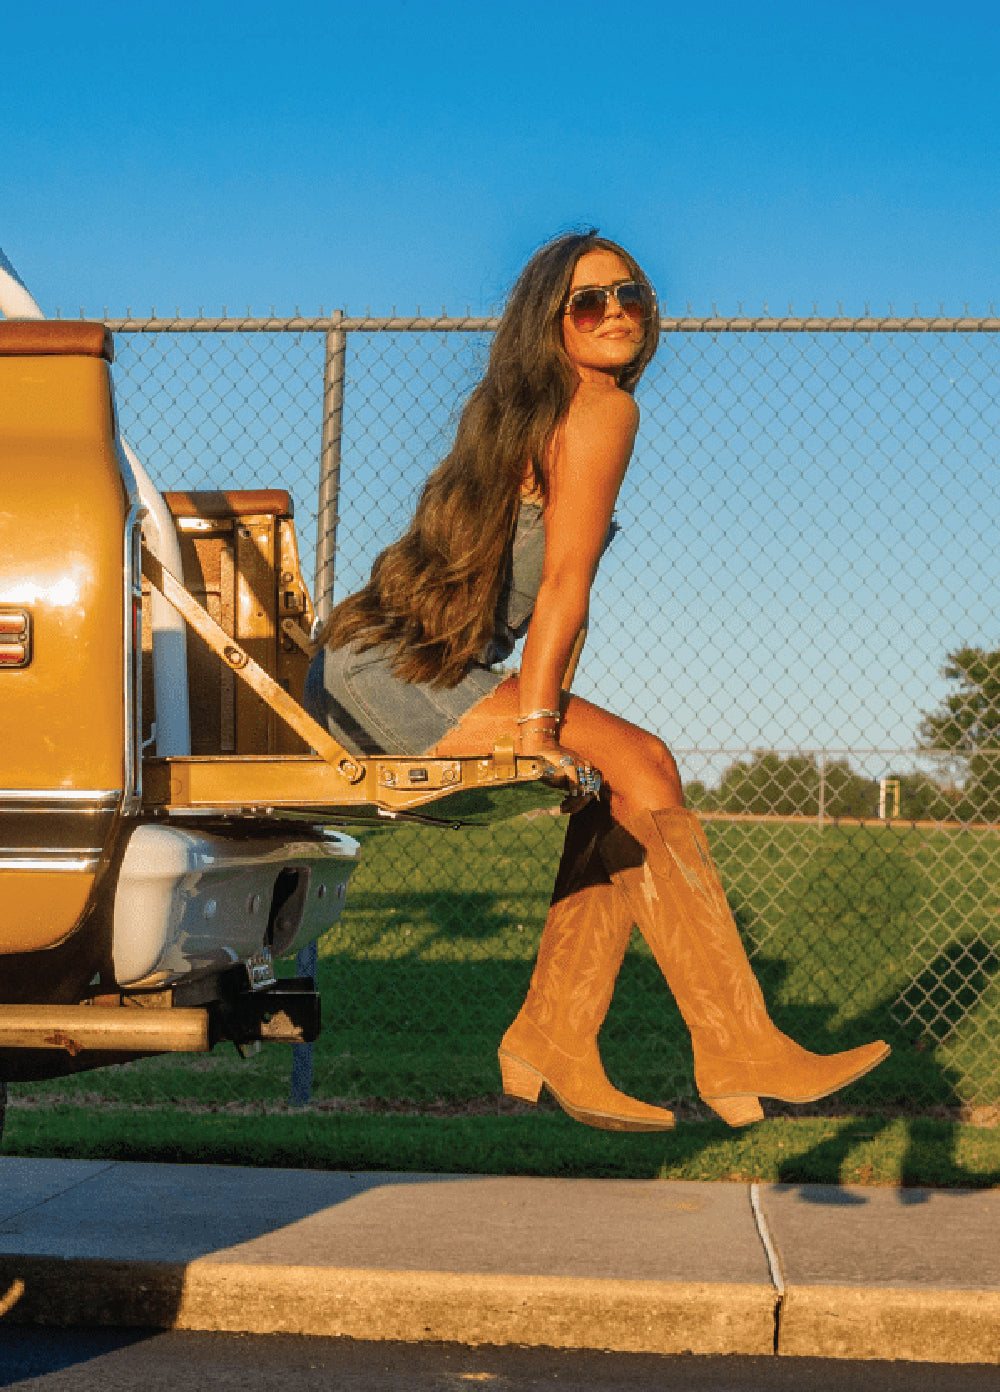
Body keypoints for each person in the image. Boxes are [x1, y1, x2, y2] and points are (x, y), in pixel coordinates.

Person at [306, 230, 890, 1131]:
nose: (616, 313)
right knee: (644, 762)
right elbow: (564, 588)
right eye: (589, 302)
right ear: (552, 321)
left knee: (624, 777)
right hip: (398, 674)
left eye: (631, 295)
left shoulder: (529, 410)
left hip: (368, 666)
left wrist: (556, 728)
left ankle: (559, 1038)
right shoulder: (600, 410)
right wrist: (539, 729)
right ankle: (728, 1044)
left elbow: (562, 606)